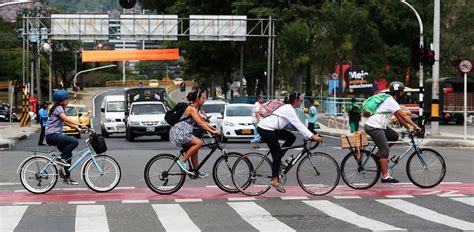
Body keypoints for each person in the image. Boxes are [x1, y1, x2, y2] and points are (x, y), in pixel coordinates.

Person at [257, 91, 321, 193]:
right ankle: (274, 180)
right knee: (276, 153)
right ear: (296, 101)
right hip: (266, 128)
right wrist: (312, 136)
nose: (301, 102)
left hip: (273, 128)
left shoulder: (290, 108)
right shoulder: (288, 109)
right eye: (301, 100)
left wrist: (309, 135)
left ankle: (278, 160)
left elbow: (297, 126)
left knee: (291, 138)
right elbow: (298, 125)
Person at [364, 81, 421, 183]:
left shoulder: (390, 101)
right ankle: (385, 176)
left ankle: (378, 157)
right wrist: (415, 126)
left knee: (394, 136)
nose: (403, 93)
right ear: (398, 92)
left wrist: (408, 128)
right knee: (385, 149)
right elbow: (403, 115)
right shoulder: (391, 101)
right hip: (374, 126)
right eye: (402, 91)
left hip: (378, 125)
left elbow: (399, 118)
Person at [169, 90, 222, 178]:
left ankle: (195, 171)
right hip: (180, 132)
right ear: (197, 99)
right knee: (199, 143)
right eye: (203, 98)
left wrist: (215, 129)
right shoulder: (191, 109)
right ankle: (182, 161)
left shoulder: (195, 109)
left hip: (184, 132)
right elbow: (200, 124)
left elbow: (203, 121)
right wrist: (212, 132)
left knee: (195, 149)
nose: (204, 100)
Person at [45, 90, 85, 185]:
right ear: (61, 100)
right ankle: (61, 157)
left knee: (69, 154)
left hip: (54, 135)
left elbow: (65, 122)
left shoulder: (59, 108)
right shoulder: (58, 108)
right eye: (66, 98)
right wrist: (79, 123)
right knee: (74, 142)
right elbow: (66, 119)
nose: (68, 100)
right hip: (52, 135)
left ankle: (66, 177)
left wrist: (76, 127)